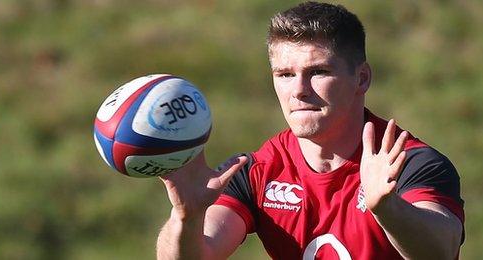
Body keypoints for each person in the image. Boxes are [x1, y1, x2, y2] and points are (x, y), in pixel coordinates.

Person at [156, 1, 464, 259]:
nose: (299, 90)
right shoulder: (258, 172)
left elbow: (442, 251)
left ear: (362, 79)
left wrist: (387, 207)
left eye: (318, 71)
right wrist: (187, 217)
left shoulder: (407, 162)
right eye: (285, 74)